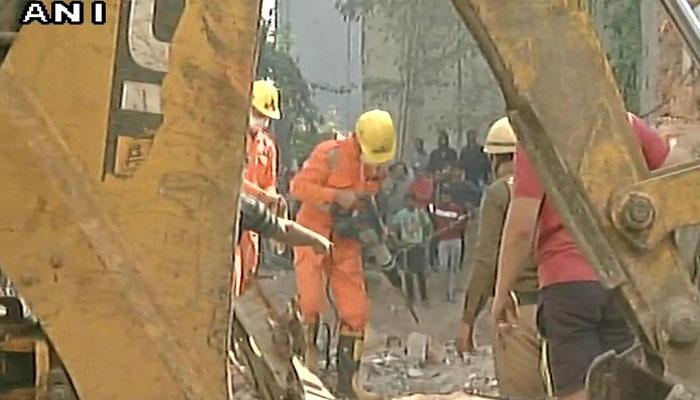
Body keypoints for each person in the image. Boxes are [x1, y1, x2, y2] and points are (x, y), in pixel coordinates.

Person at [492, 112, 673, 400]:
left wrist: (501, 292)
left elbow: (521, 229)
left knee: (576, 389)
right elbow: (672, 177)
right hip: (625, 284)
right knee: (619, 387)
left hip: (568, 285)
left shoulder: (539, 131)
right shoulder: (625, 123)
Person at [290, 109, 396, 399]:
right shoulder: (329, 154)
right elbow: (298, 187)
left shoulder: (374, 165)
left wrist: (375, 225)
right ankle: (305, 378)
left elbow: (369, 200)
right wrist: (336, 196)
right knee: (310, 304)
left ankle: (349, 385)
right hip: (312, 234)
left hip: (346, 241)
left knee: (356, 310)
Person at [458, 117, 544, 398]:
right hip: (566, 305)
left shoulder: (500, 192)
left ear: (494, 159)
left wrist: (468, 319)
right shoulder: (554, 183)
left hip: (520, 311)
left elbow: (486, 262)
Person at [234, 80, 284, 297]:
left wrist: (273, 198)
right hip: (233, 216)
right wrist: (262, 196)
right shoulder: (230, 139)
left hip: (252, 223)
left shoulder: (268, 146)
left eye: (265, 117)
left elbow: (268, 182)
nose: (260, 121)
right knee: (231, 274)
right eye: (257, 113)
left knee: (249, 270)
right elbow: (233, 180)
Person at [389, 193, 433, 307]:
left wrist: (427, 239)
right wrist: (397, 242)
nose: (410, 203)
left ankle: (424, 298)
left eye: (411, 201)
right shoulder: (400, 214)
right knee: (407, 273)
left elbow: (428, 227)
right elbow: (393, 229)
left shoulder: (421, 214)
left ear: (415, 201)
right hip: (406, 247)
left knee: (420, 273)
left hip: (418, 246)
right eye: (407, 201)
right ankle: (410, 298)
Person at [433, 190, 467, 302]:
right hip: (443, 240)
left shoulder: (457, 208)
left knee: (454, 267)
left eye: (447, 197)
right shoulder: (436, 209)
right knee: (443, 267)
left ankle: (451, 293)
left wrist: (454, 227)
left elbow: (463, 224)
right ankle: (444, 292)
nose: (445, 199)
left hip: (455, 239)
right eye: (443, 197)